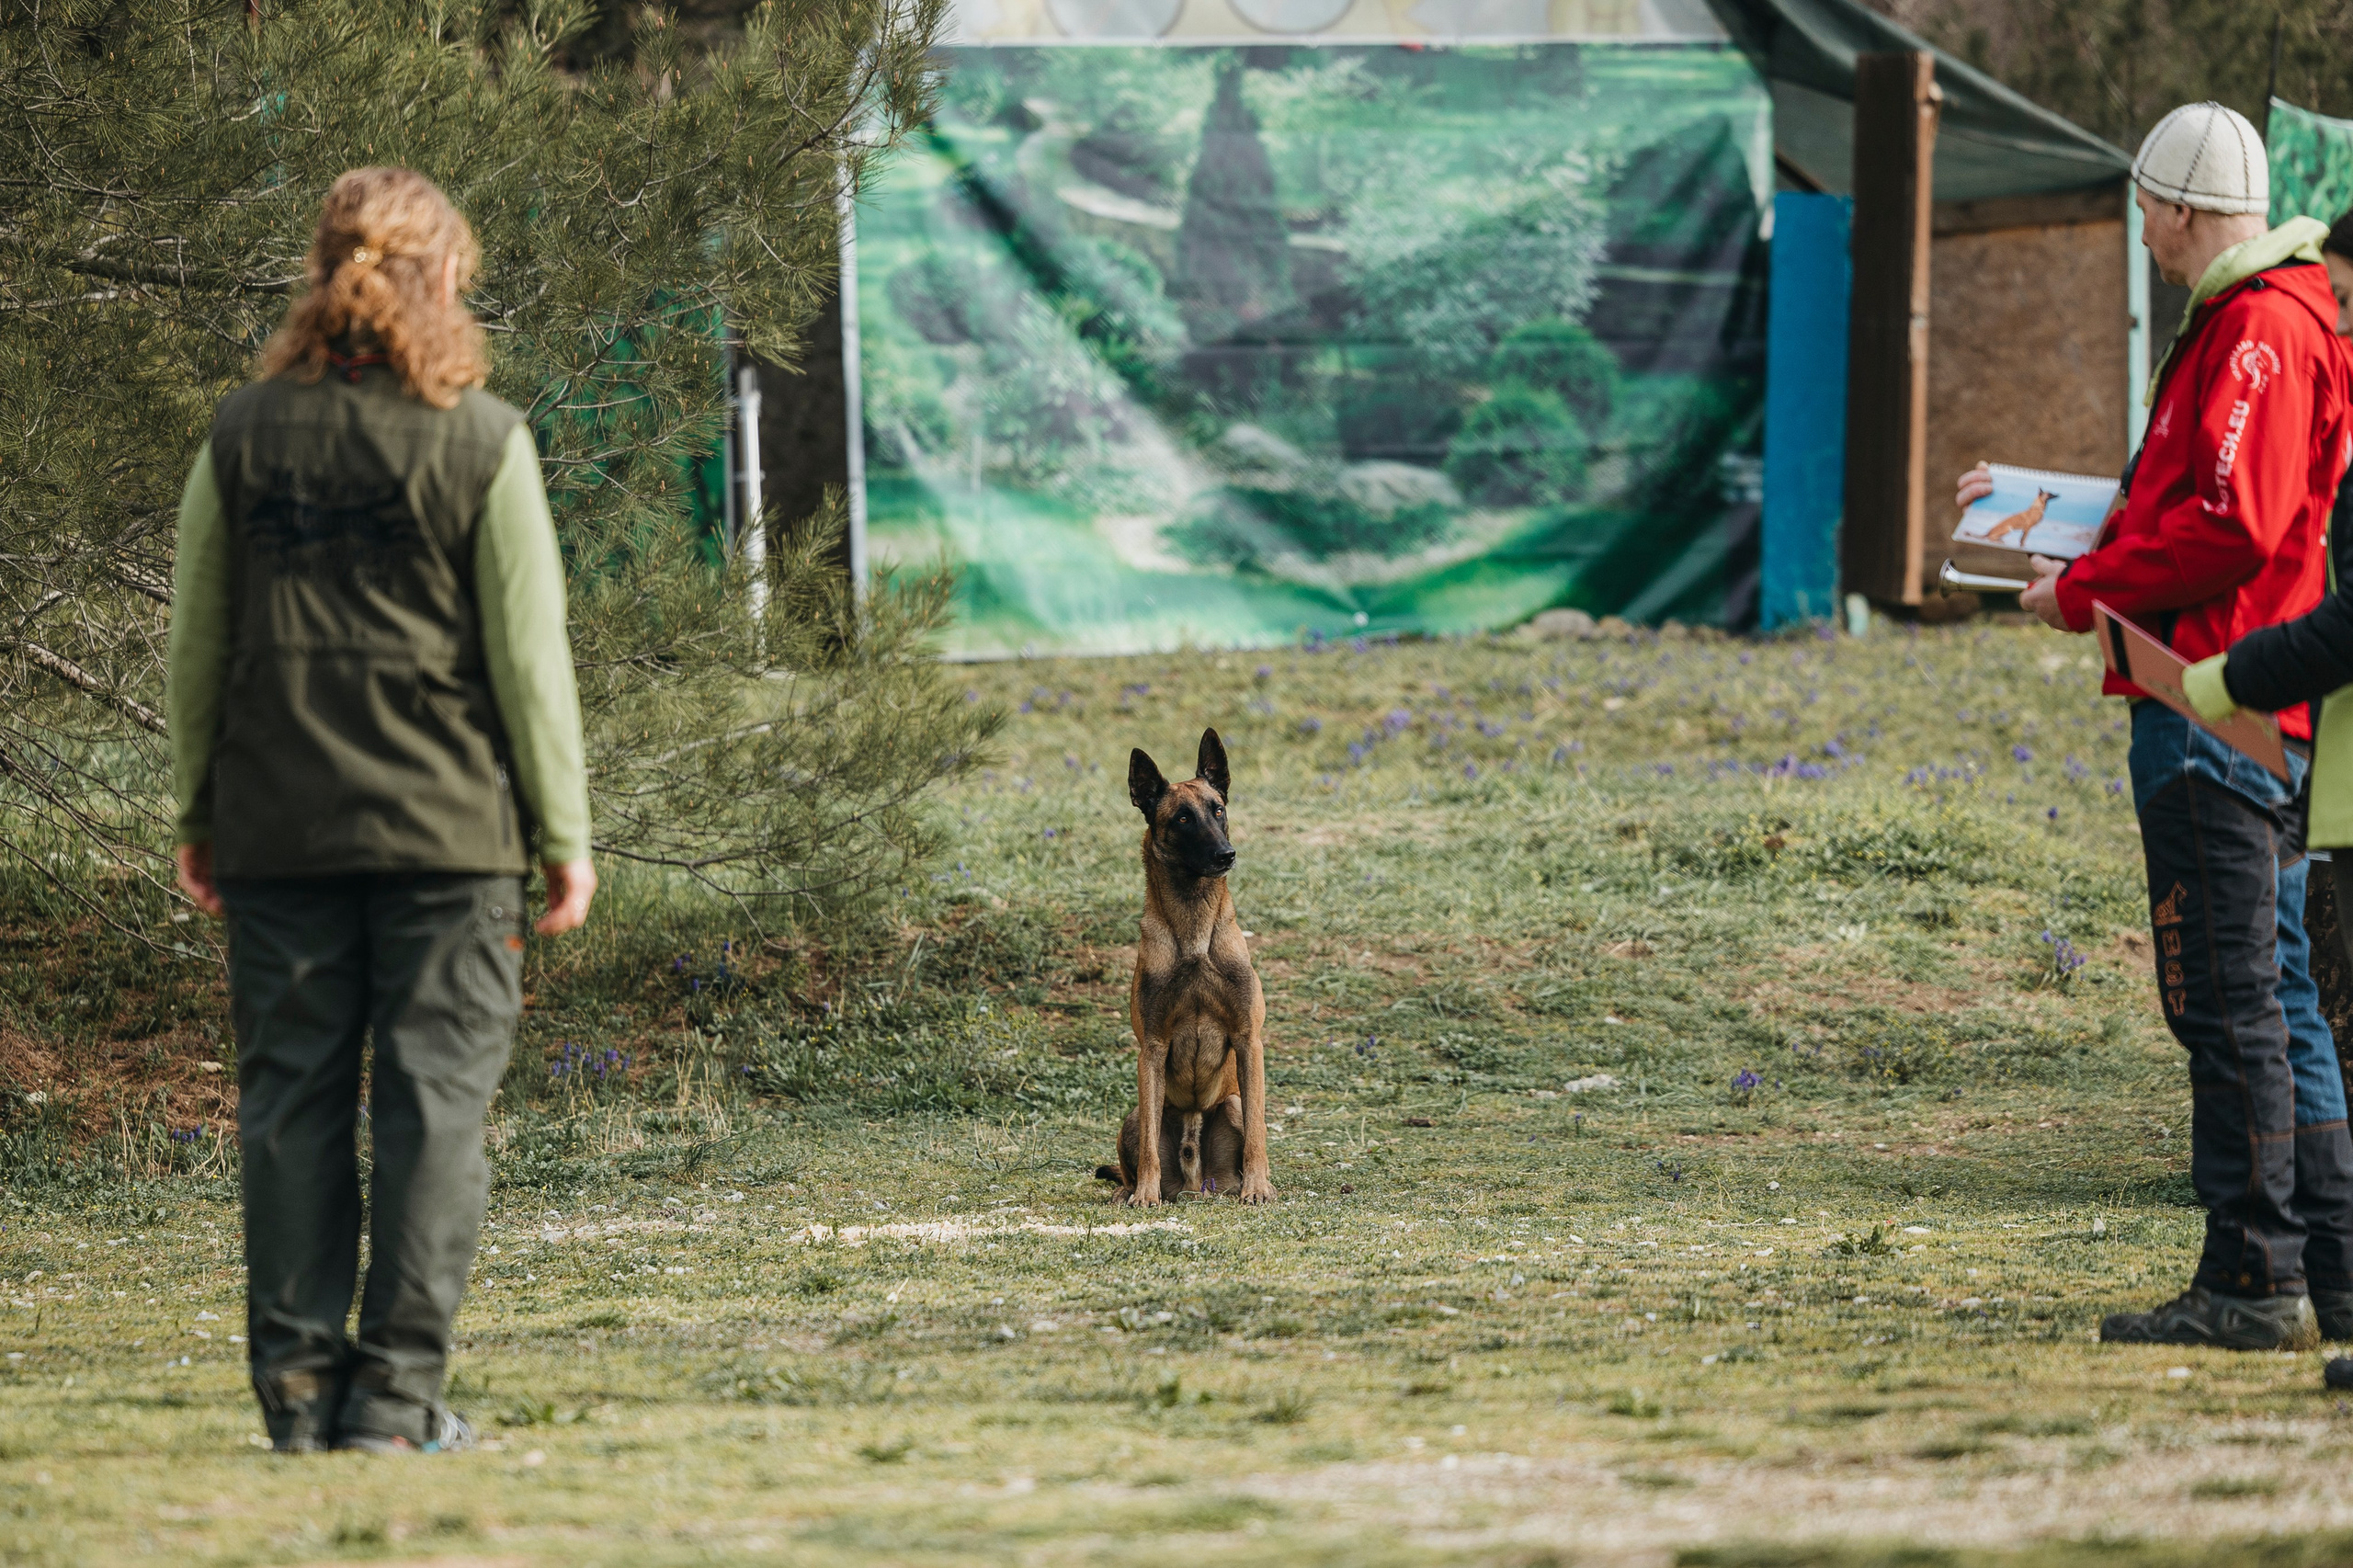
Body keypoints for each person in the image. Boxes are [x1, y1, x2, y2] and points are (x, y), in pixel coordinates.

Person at [168, 167, 594, 1452]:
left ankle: (300, 1398)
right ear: (443, 278)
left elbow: (199, 644)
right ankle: (396, 1405)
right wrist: (562, 836)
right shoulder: (485, 440)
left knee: (289, 1109)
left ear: (321, 276)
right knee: (434, 1111)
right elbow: (530, 661)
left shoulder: (239, 436)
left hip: (279, 830)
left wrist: (198, 810)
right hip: (448, 842)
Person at [1957, 103, 2353, 1349]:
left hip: (2208, 700)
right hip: (2233, 698)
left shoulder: (2255, 330)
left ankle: (2253, 1274)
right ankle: (2329, 1271)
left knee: (2228, 998)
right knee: (2273, 991)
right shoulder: (2258, 320)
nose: (2138, 229)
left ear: (2179, 205)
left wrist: (2082, 588)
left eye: (2141, 206)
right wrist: (2029, 511)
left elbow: (2233, 523)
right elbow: (2185, 499)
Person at [2177, 206, 2353, 1381]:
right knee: (2299, 1002)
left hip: (2265, 726)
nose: (2340, 330)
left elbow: (2341, 611)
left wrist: (2225, 676)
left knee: (2263, 999)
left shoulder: (2271, 332)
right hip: (2321, 774)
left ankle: (2270, 1274)